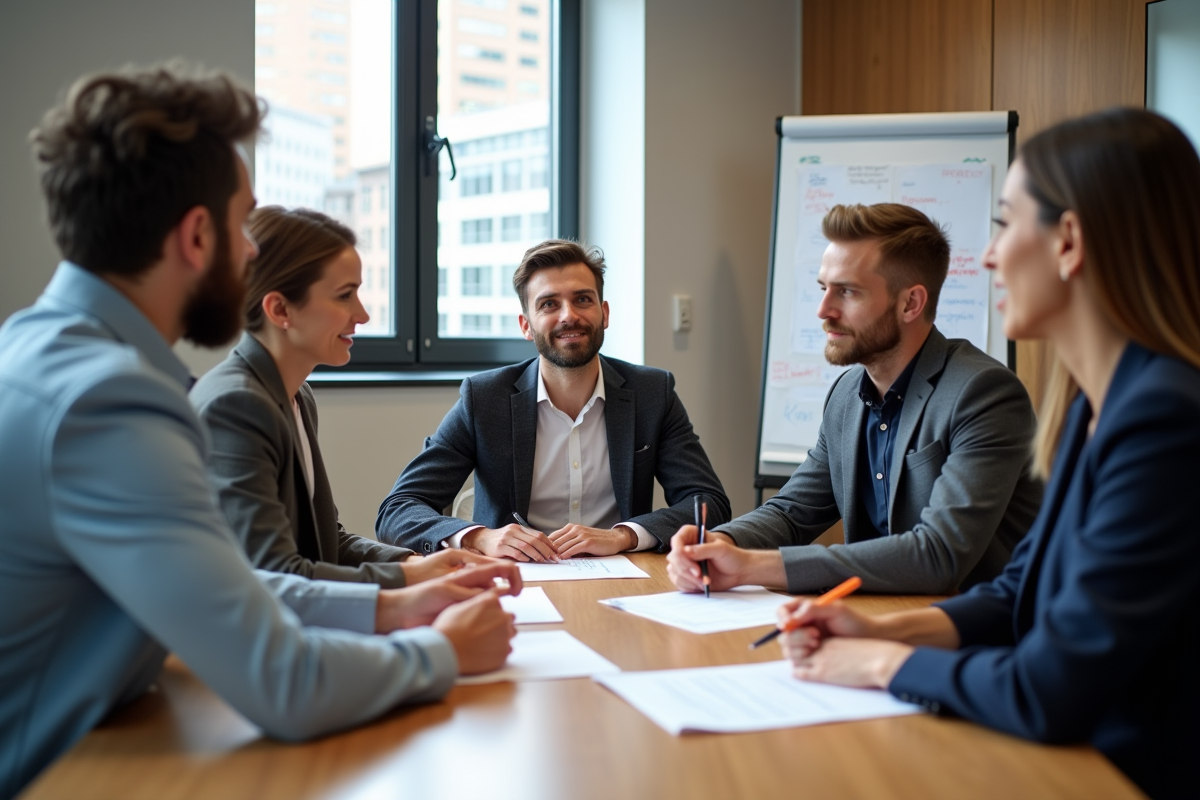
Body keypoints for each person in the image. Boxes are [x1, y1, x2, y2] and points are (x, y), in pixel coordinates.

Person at [0, 64, 518, 798]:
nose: (251, 251)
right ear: (197, 234)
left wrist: (388, 602)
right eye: (244, 223)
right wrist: (440, 652)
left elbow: (227, 586)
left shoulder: (35, 351)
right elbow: (283, 683)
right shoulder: (110, 402)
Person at [775, 108, 1200, 800]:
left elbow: (1049, 688)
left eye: (1005, 224)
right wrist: (879, 624)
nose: (991, 255)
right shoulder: (1098, 406)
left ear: (1068, 242)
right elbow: (1017, 594)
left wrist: (881, 662)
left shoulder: (1164, 418)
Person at [668, 203, 1042, 595]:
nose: (823, 310)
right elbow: (792, 513)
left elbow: (939, 555)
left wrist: (753, 566)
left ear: (911, 303)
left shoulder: (983, 393)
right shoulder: (847, 394)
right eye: (823, 288)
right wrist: (721, 544)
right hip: (875, 618)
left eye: (847, 291)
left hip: (978, 633)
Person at [191, 206, 500, 587]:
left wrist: (413, 562)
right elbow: (277, 575)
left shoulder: (297, 396)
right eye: (344, 295)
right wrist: (404, 583)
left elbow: (325, 543)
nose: (364, 314)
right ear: (280, 309)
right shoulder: (236, 405)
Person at [376, 239, 730, 561]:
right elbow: (399, 509)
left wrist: (622, 536)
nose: (568, 315)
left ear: (604, 313)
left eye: (582, 299)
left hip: (624, 576)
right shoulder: (484, 399)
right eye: (549, 304)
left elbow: (707, 503)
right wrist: (479, 538)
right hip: (514, 582)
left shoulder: (653, 392)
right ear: (526, 325)